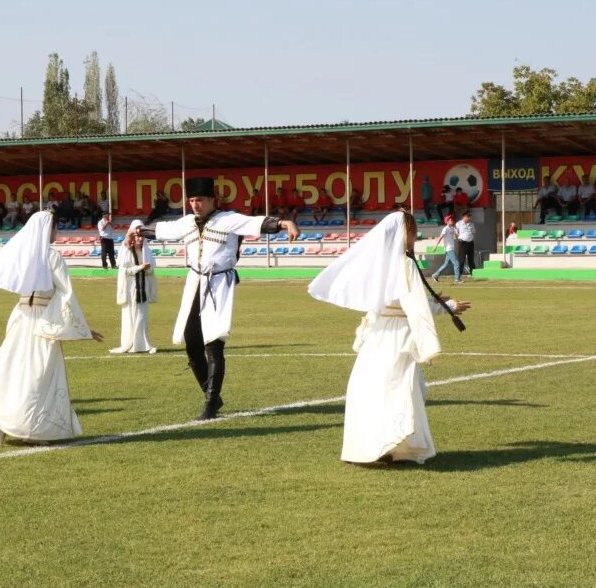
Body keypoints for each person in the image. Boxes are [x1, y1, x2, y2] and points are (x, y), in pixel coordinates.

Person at [129, 177, 299, 420]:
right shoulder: (187, 222)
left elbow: (258, 223)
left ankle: (210, 404)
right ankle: (212, 395)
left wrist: (285, 223)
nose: (195, 204)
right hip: (195, 282)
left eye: (200, 200)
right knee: (191, 343)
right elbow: (158, 229)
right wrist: (135, 230)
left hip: (219, 284)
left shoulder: (228, 220)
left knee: (214, 343)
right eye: (192, 200)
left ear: (211, 200)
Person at [308, 209, 470, 464]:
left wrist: (441, 302)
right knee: (400, 389)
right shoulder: (403, 264)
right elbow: (414, 304)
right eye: (413, 232)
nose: (415, 237)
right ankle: (390, 444)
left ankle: (373, 446)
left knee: (373, 387)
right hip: (397, 336)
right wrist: (447, 306)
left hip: (378, 333)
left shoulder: (377, 264)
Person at [0, 211, 104, 446]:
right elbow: (66, 293)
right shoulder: (52, 258)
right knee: (39, 374)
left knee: (13, 369)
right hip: (43, 320)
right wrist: (82, 328)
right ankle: (34, 428)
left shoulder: (22, 255)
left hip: (22, 318)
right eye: (54, 228)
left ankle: (3, 418)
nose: (56, 233)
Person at [111, 219, 158, 354]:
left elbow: (151, 271)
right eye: (137, 236)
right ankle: (130, 344)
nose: (140, 239)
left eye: (142, 236)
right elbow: (124, 270)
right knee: (130, 316)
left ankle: (143, 345)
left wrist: (146, 269)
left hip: (142, 287)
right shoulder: (125, 251)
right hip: (130, 287)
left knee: (142, 316)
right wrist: (140, 268)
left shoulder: (146, 252)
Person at [431, 215, 462, 283]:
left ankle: (435, 275)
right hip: (449, 248)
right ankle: (457, 279)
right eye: (450, 220)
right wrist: (435, 246)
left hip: (451, 248)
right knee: (456, 263)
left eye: (452, 220)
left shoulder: (452, 228)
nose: (452, 221)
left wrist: (456, 231)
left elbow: (457, 236)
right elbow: (440, 237)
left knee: (446, 264)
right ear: (447, 221)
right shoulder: (445, 228)